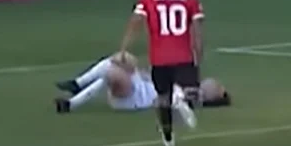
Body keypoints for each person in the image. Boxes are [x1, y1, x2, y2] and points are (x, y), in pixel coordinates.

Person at [118, 0, 204, 146]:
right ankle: (180, 97)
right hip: (183, 55)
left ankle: (168, 137)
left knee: (163, 98)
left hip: (159, 58)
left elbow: (135, 23)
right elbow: (197, 32)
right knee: (192, 91)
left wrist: (123, 49)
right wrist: (198, 54)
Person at [53, 52, 230, 115]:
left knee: (111, 72)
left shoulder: (186, 98)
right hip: (140, 86)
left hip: (135, 98)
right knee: (122, 57)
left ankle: (71, 102)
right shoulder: (185, 87)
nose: (210, 83)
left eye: (213, 87)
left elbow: (162, 101)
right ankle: (77, 85)